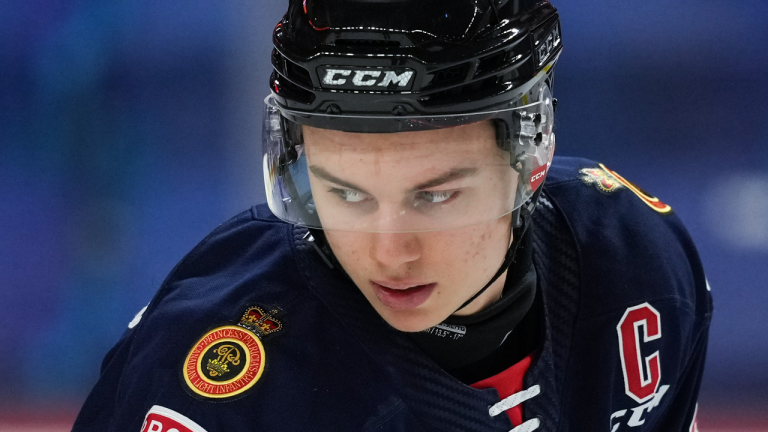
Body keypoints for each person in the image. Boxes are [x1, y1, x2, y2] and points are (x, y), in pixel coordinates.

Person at [73, 0, 712, 431]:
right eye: (345, 193)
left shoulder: (637, 266)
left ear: (530, 157)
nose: (388, 252)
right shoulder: (218, 383)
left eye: (435, 196)